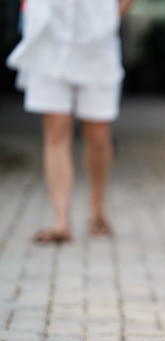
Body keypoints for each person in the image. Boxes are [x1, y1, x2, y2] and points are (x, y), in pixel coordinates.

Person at [5, 0, 135, 243]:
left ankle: (97, 208)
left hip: (97, 42)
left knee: (97, 135)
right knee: (56, 130)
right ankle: (61, 220)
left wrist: (113, 13)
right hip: (47, 37)